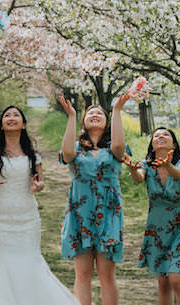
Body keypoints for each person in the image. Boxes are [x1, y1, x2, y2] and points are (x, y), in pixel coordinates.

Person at [0, 106, 80, 305]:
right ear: (2, 125)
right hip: (1, 217)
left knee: (30, 260)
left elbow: (41, 181)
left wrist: (38, 185)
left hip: (28, 217)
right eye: (6, 115)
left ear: (23, 124)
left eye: (15, 115)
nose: (11, 118)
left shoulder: (32, 155)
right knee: (1, 263)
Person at [58, 94, 130, 305]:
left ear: (108, 122)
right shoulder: (75, 148)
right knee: (82, 275)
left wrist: (117, 110)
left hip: (108, 214)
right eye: (90, 113)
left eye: (100, 113)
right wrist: (71, 116)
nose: (95, 114)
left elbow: (119, 149)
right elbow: (67, 154)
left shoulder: (114, 148)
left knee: (107, 276)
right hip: (80, 215)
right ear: (83, 122)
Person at [127, 127, 180, 305]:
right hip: (157, 229)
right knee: (163, 285)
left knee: (176, 280)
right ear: (152, 145)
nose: (160, 136)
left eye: (166, 135)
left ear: (174, 144)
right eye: (156, 135)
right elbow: (138, 178)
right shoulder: (146, 166)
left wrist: (167, 165)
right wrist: (133, 170)